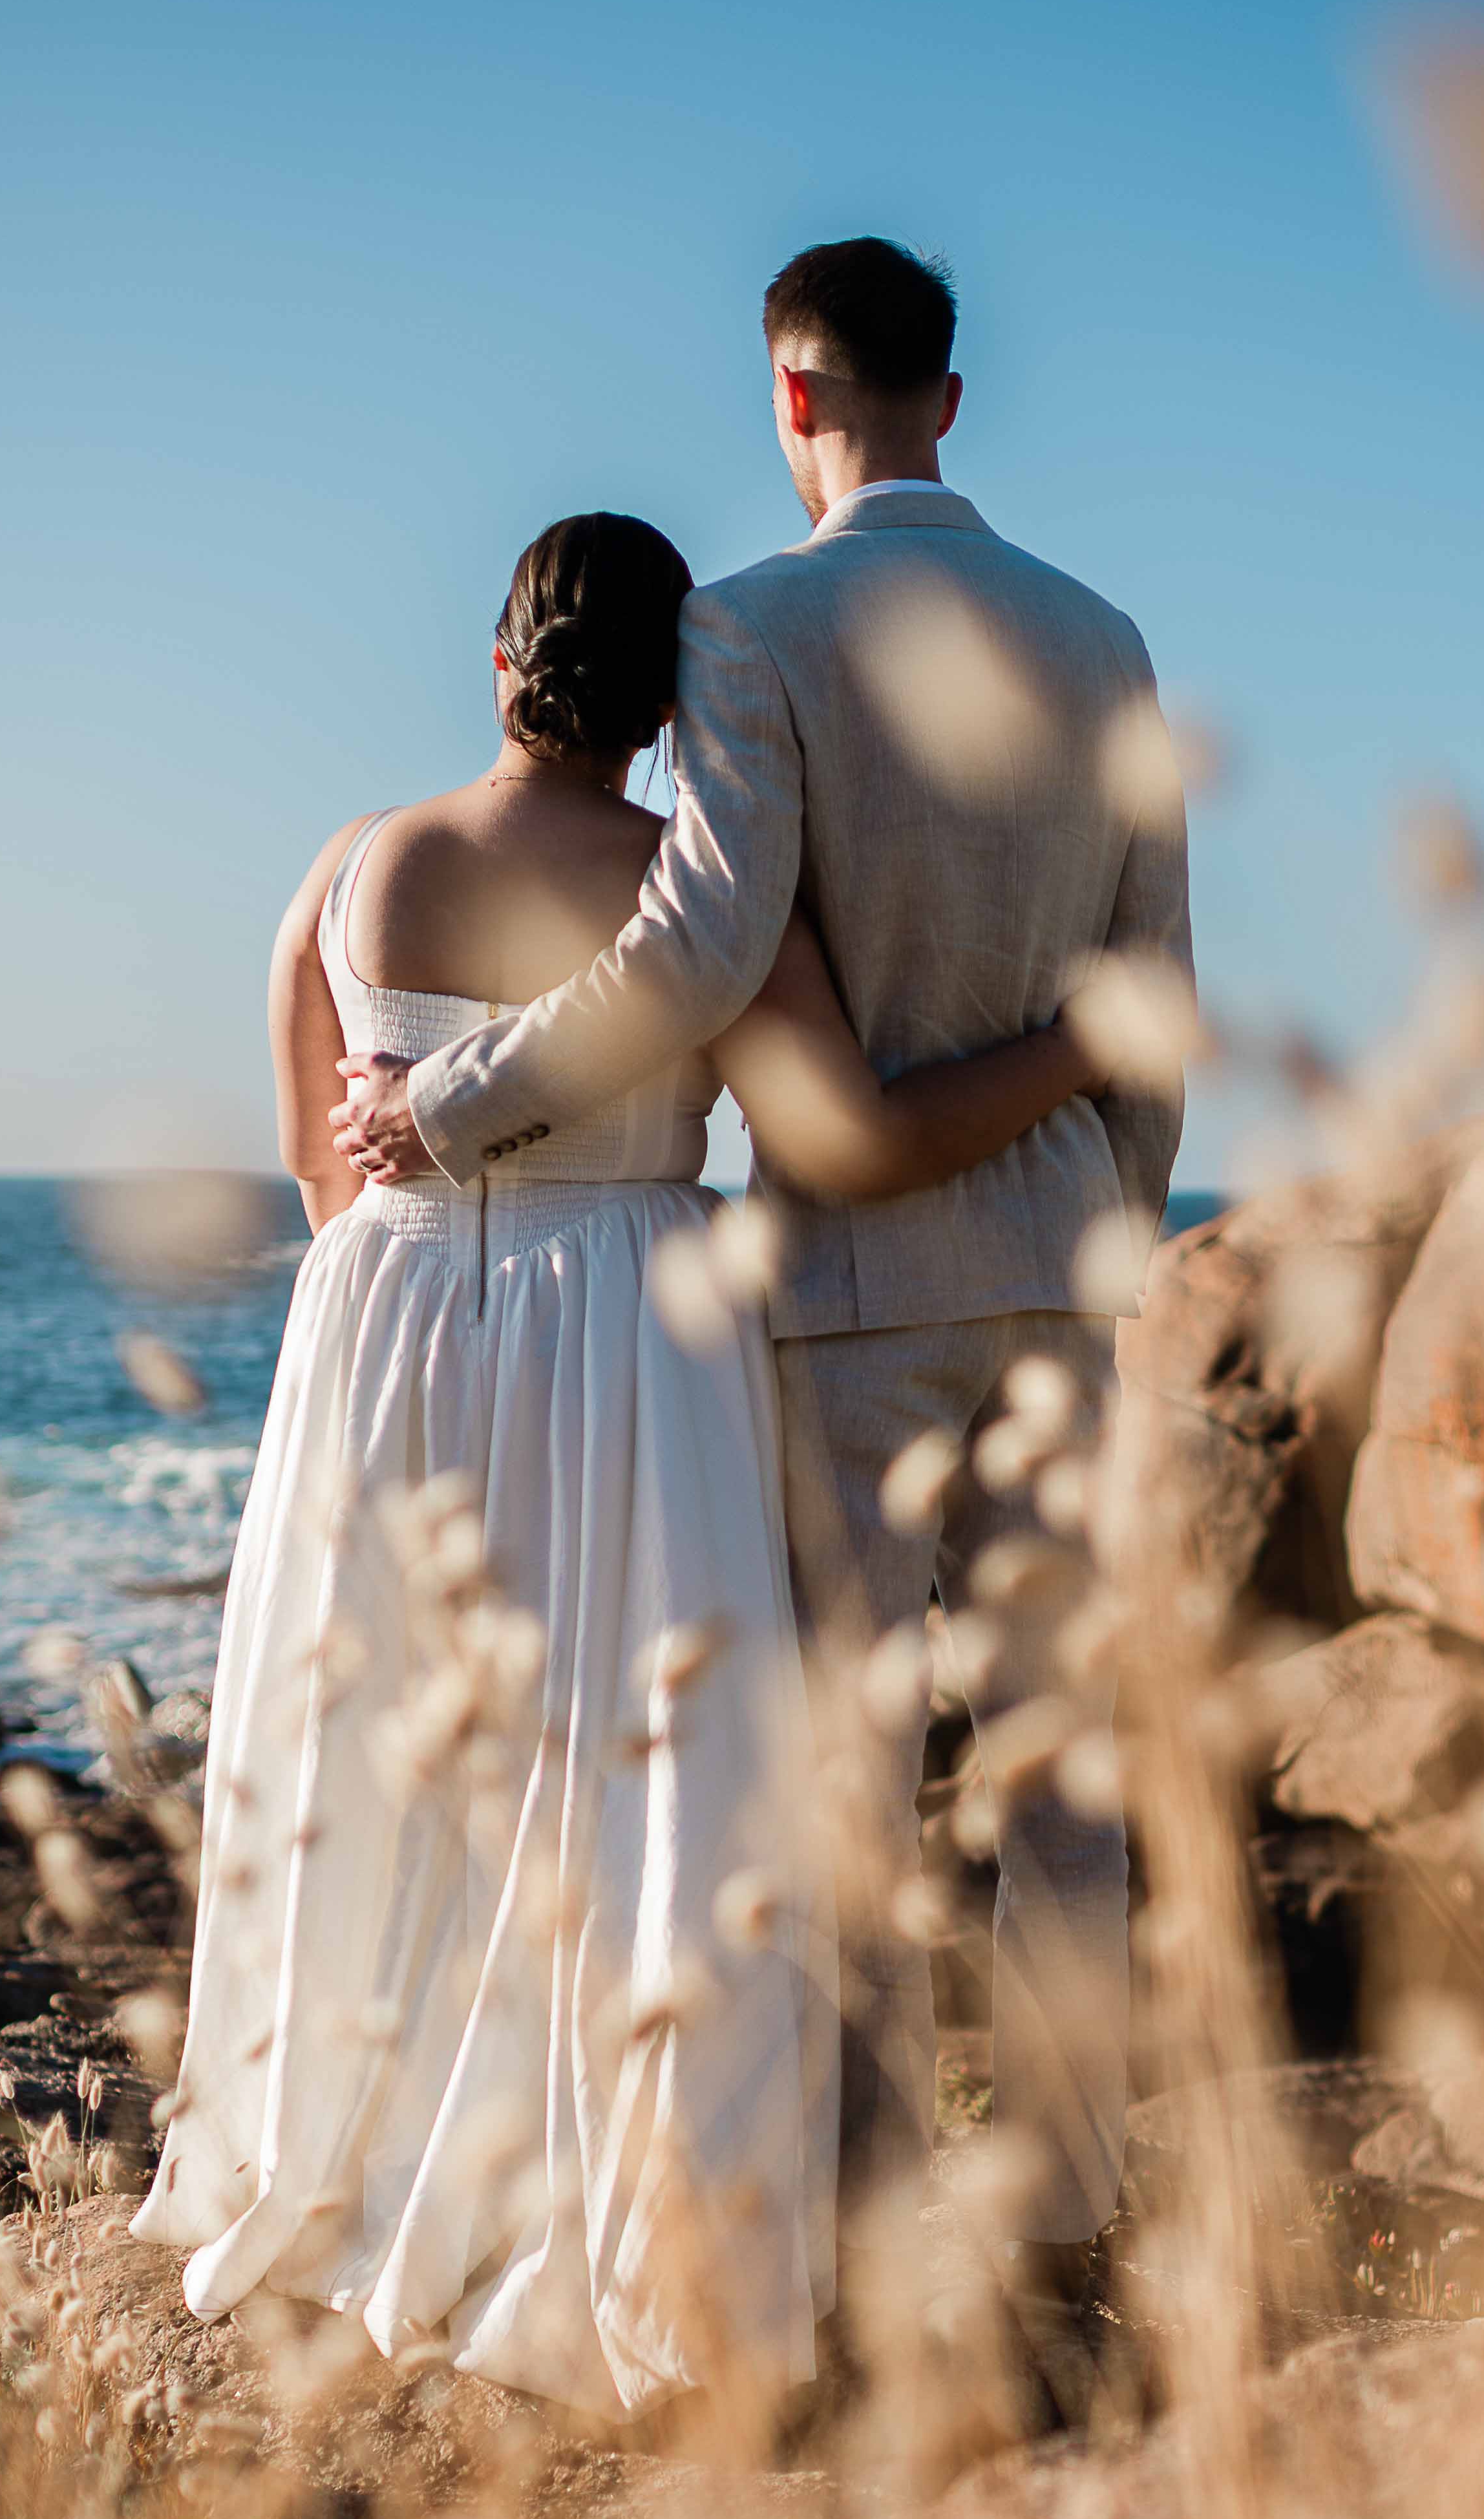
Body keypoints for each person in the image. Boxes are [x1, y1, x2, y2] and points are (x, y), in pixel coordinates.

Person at [133, 511, 1112, 2411]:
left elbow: (323, 1174)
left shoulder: (346, 869)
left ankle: (348, 2165)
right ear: (670, 698)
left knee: (376, 1745)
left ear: (499, 662)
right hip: (632, 1348)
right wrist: (1080, 1043)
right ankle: (613, 2221)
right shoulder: (700, 891)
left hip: (388, 1333)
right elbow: (858, 1142)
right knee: (636, 1789)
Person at [338, 239, 1193, 2366]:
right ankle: (1077, 2219)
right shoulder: (1105, 643)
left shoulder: (748, 626)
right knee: (1063, 1778)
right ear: (950, 400)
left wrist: (449, 1103)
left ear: (792, 398)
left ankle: (883, 2219)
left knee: (836, 1783)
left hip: (836, 1305)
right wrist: (1111, 1222)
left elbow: (700, 959)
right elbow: (1151, 1005)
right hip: (1058, 1275)